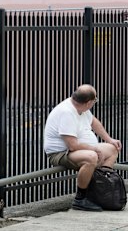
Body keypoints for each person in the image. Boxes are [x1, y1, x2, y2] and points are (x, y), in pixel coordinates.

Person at [43, 84, 122, 212]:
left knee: (112, 149)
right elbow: (72, 145)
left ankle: (100, 190)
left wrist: (109, 139)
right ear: (88, 102)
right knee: (91, 157)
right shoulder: (66, 112)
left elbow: (93, 122)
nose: (94, 103)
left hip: (80, 149)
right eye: (95, 101)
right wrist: (93, 149)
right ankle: (80, 199)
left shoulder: (81, 108)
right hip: (61, 153)